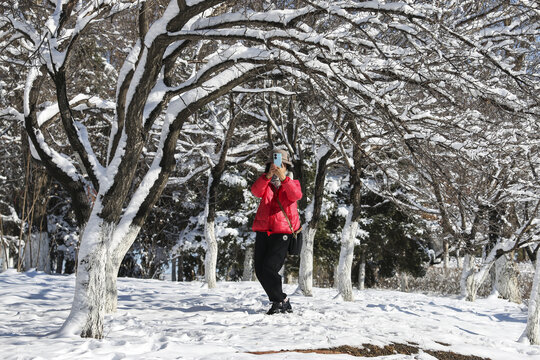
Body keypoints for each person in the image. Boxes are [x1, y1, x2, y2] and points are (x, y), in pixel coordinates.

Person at [250, 149, 302, 315]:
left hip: (282, 232)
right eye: (274, 164)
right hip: (263, 231)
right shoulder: (265, 183)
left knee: (269, 268)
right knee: (260, 270)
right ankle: (281, 300)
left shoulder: (292, 183)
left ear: (286, 166)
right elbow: (255, 192)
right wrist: (267, 176)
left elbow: (295, 195)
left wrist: (283, 178)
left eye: (281, 165)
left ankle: (279, 301)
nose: (277, 167)